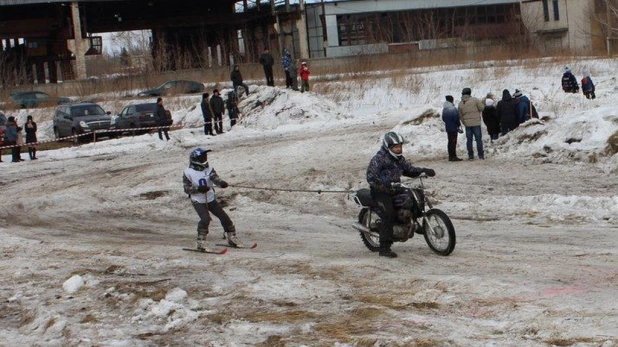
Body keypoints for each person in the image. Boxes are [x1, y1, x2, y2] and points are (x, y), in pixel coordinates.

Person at [366, 131, 436, 258]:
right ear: (388, 147)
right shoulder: (379, 159)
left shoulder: (399, 159)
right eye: (396, 147)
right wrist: (382, 185)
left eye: (400, 146)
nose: (399, 149)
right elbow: (371, 176)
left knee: (415, 195)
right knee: (389, 213)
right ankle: (384, 247)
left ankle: (417, 222)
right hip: (380, 191)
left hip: (395, 188)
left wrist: (423, 171)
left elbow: (409, 170)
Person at [183, 147, 243, 250]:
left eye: (205, 157)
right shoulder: (188, 172)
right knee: (205, 219)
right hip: (198, 201)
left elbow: (215, 178)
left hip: (210, 199)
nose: (204, 159)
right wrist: (198, 189)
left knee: (224, 217)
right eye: (202, 158)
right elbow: (186, 189)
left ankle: (231, 237)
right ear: (196, 160)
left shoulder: (209, 169)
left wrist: (221, 183)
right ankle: (201, 241)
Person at [458, 87, 485, 160]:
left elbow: (460, 116)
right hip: (476, 123)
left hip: (467, 125)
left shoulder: (461, 103)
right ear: (470, 93)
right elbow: (482, 108)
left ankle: (470, 155)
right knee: (478, 140)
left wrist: (464, 123)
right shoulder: (475, 100)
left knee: (469, 140)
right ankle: (481, 155)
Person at [441, 95, 462, 161]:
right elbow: (456, 118)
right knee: (453, 142)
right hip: (453, 127)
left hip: (448, 127)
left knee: (450, 141)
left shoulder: (444, 109)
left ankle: (450, 156)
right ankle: (454, 156)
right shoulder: (453, 108)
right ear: (452, 100)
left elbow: (443, 118)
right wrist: (458, 125)